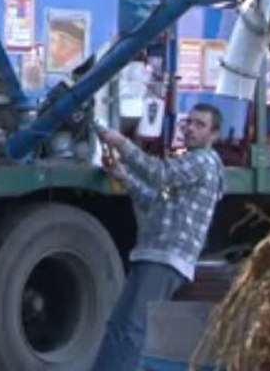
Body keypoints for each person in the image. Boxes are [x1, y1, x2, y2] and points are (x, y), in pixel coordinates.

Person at [90, 103, 227, 371]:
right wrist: (124, 176)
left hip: (166, 257)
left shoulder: (203, 161)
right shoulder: (191, 162)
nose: (191, 128)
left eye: (200, 124)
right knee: (121, 325)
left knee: (131, 328)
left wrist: (120, 142)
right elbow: (154, 202)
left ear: (214, 135)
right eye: (189, 122)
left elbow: (159, 174)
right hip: (155, 253)